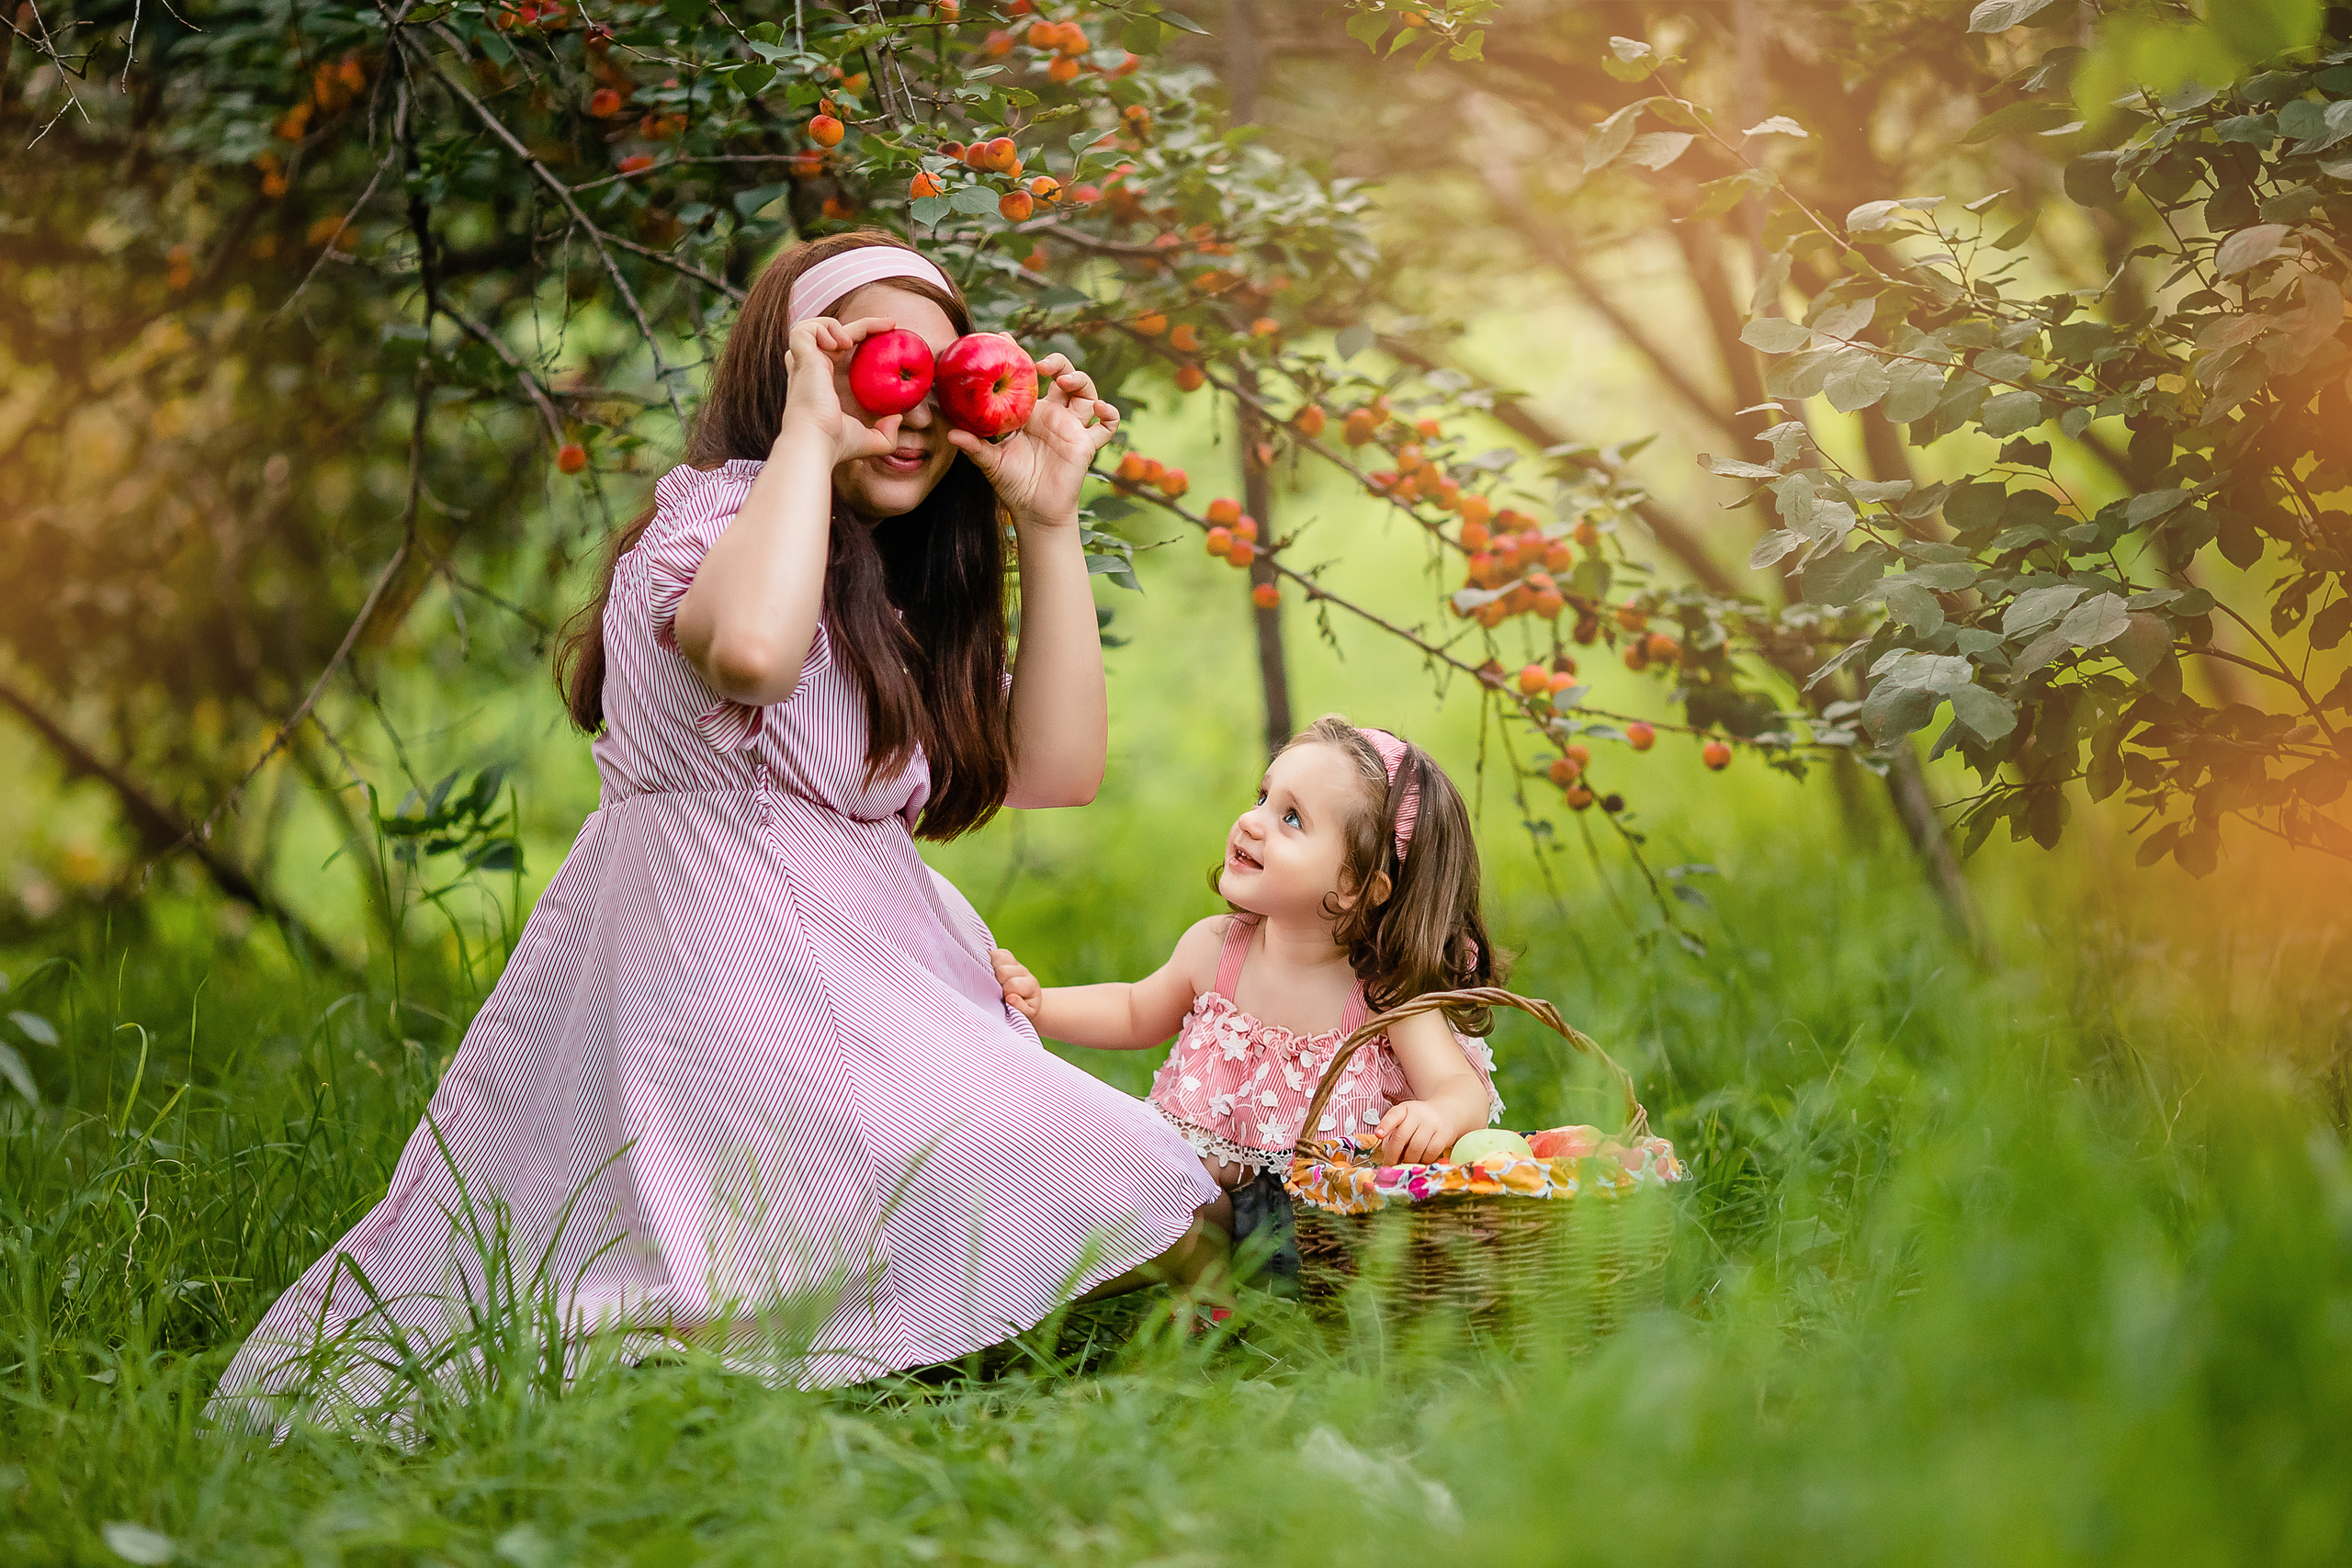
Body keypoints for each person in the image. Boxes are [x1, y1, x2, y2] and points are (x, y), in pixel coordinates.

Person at [210, 231, 1227, 1427]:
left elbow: (1055, 768)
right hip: (727, 1000)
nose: (909, 420)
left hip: (850, 994)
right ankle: (826, 1365)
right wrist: (808, 434)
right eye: (880, 372)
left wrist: (1049, 521)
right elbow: (747, 652)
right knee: (1103, 1179)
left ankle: (878, 1359)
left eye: (939, 388)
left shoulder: (881, 568)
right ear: (795, 371)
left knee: (1143, 1186)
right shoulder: (723, 519)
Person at [992, 716, 1504, 1283]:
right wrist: (1040, 1006)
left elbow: (1460, 1088)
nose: (1251, 822)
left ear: (1360, 884)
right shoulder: (1217, 949)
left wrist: (1439, 1113)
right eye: (1263, 797)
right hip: (1206, 1198)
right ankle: (1201, 1285)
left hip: (1325, 1224)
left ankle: (1240, 1293)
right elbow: (1136, 1010)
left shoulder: (1383, 990)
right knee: (1134, 1188)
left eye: (1291, 818)